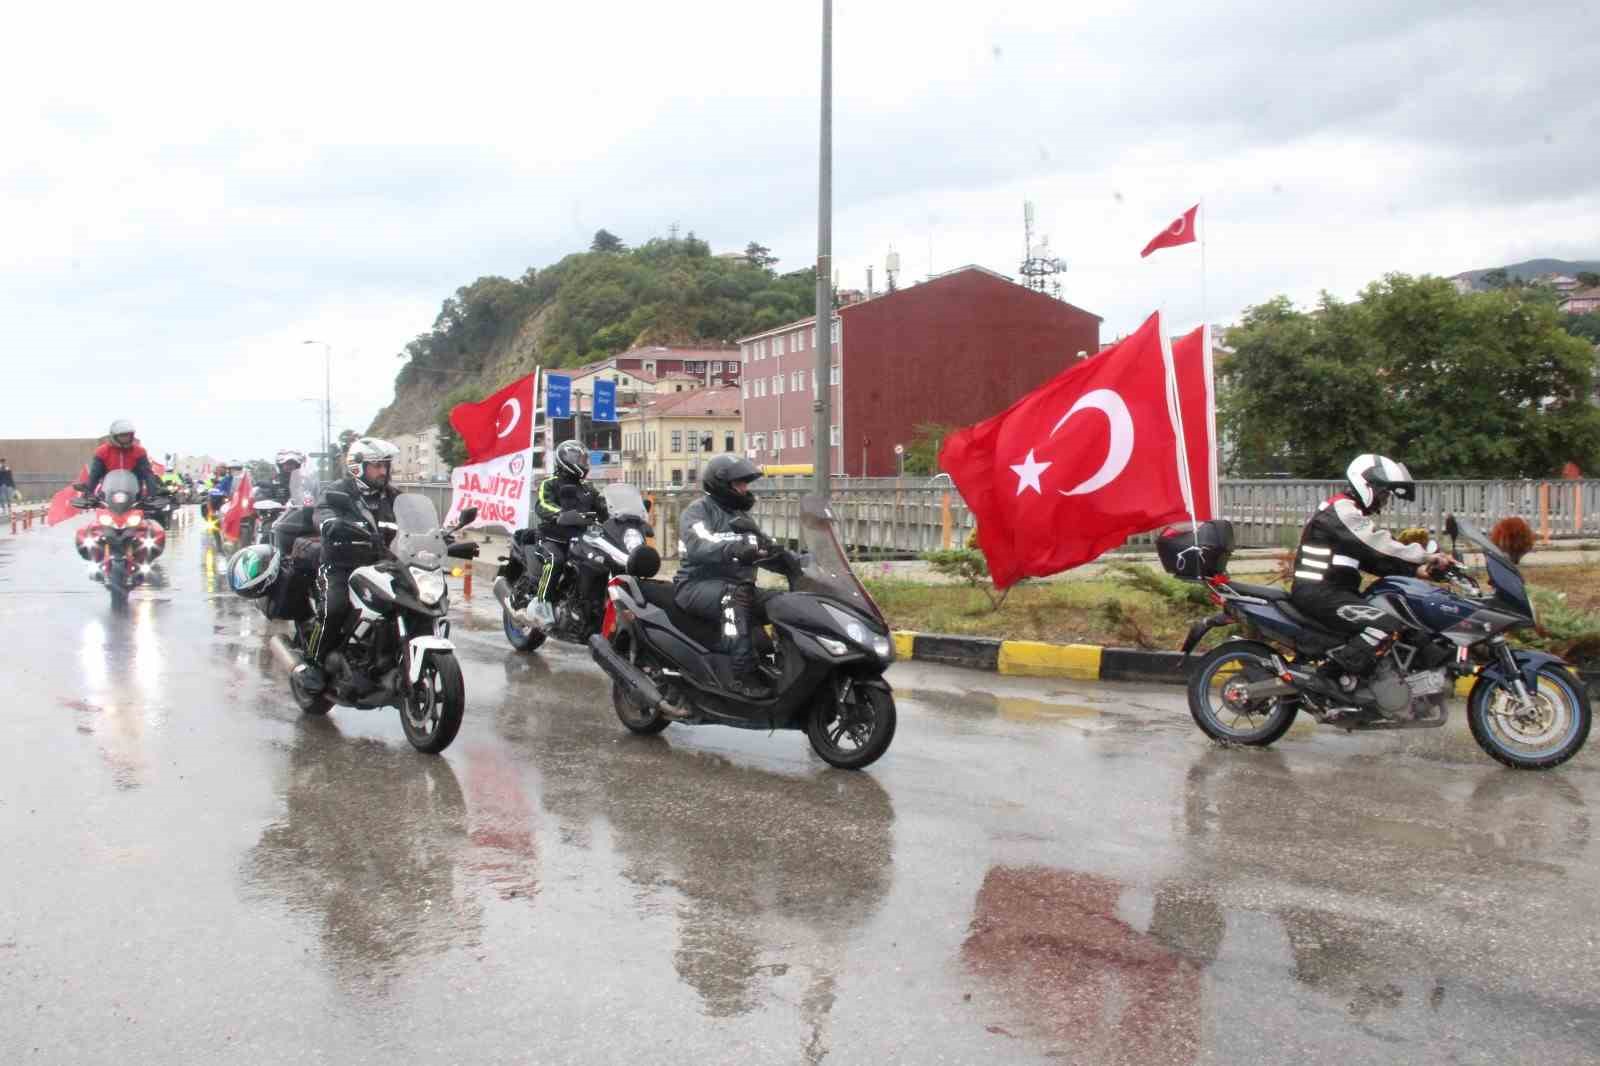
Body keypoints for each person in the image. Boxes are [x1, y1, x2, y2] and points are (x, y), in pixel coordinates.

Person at [1289, 454, 1450, 692]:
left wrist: (1419, 570)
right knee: (1385, 625)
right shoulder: (1341, 510)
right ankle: (1327, 678)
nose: (1385, 501)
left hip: (1335, 591)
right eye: (1384, 493)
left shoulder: (1350, 512)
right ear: (1367, 485)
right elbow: (1378, 544)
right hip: (1318, 592)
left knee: (1404, 616)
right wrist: (1425, 555)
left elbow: (1374, 560)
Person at [673, 454, 793, 699]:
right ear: (722, 484)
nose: (744, 488)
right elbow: (699, 543)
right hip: (695, 585)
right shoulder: (698, 511)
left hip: (741, 586)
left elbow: (766, 547)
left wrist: (795, 560)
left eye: (745, 483)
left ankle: (782, 665)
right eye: (739, 483)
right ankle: (741, 676)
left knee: (784, 603)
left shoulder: (744, 519)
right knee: (735, 598)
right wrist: (732, 548)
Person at [294, 438, 401, 695]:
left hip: (379, 564)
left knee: (410, 601)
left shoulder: (393, 496)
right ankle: (314, 664)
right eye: (376, 466)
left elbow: (411, 521)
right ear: (357, 467)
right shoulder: (339, 491)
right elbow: (323, 511)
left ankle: (389, 659)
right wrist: (330, 522)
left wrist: (439, 533)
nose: (383, 472)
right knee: (335, 607)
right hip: (339, 564)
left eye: (385, 465)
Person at [526, 440, 609, 629]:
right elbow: (542, 505)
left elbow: (604, 508)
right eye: (578, 458)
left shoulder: (588, 489)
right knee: (556, 560)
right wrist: (558, 514)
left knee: (603, 561)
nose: (582, 462)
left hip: (579, 539)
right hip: (551, 538)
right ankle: (540, 603)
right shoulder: (550, 483)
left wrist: (619, 516)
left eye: (584, 459)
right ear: (564, 459)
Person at [84, 419, 160, 499]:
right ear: (114, 436)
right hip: (108, 496)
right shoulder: (102, 451)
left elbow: (147, 474)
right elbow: (94, 475)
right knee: (97, 509)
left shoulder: (139, 451)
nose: (126, 438)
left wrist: (152, 495)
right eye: (122, 435)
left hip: (134, 496)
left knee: (151, 510)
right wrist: (88, 493)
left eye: (128, 435)